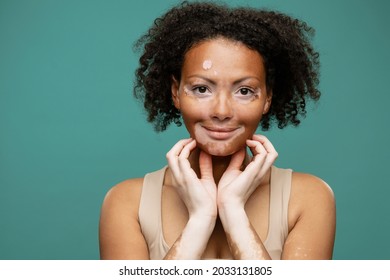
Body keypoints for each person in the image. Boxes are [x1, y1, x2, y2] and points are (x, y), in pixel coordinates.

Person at [99, 1, 336, 260]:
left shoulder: (308, 199)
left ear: (267, 98)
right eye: (201, 89)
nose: (221, 110)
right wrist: (200, 219)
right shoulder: (126, 203)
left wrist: (233, 211)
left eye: (244, 91)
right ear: (175, 92)